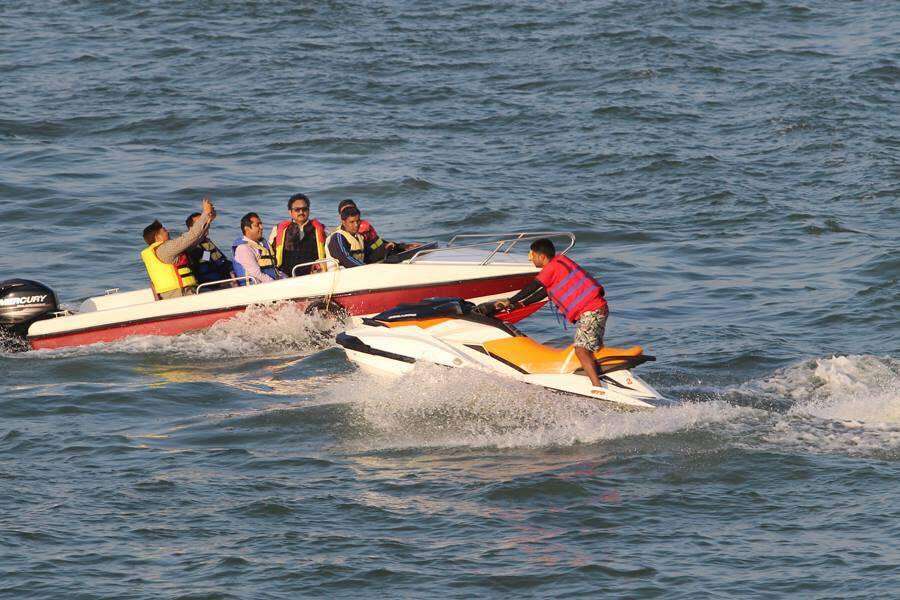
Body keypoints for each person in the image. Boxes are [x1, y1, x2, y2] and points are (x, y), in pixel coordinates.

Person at [494, 238, 609, 388]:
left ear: (542, 256)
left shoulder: (552, 267)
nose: (530, 259)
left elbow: (533, 287)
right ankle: (605, 377)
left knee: (581, 350)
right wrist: (519, 304)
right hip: (597, 309)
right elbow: (542, 293)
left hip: (591, 311)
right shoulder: (559, 265)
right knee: (592, 349)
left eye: (532, 255)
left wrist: (510, 300)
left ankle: (597, 388)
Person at [141, 197, 217, 299]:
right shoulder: (165, 249)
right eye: (164, 231)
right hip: (179, 294)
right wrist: (205, 213)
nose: (168, 232)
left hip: (184, 291)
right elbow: (191, 236)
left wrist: (208, 220)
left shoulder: (164, 250)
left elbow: (194, 240)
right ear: (157, 237)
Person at [336, 199, 420, 262]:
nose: (350, 212)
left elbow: (377, 241)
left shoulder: (362, 229)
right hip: (370, 261)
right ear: (342, 218)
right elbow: (347, 258)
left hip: (380, 253)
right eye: (346, 211)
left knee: (404, 249)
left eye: (352, 209)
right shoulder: (340, 236)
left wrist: (400, 246)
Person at [268, 193, 328, 277]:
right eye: (297, 210)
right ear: (290, 212)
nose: (301, 212)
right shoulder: (278, 230)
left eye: (304, 209)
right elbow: (270, 253)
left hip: (314, 275)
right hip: (286, 276)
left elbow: (328, 253)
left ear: (308, 210)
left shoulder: (321, 229)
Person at [232, 212, 282, 285]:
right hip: (256, 287)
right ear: (247, 229)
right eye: (257, 225)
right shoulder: (243, 248)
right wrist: (275, 283)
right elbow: (256, 274)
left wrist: (284, 278)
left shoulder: (263, 244)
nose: (261, 227)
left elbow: (274, 269)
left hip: (271, 283)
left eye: (261, 224)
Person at [184, 212, 234, 284]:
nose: (205, 225)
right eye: (200, 224)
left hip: (224, 277)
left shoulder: (205, 242)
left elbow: (217, 260)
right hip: (210, 283)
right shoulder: (191, 246)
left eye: (206, 222)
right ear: (191, 228)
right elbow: (204, 265)